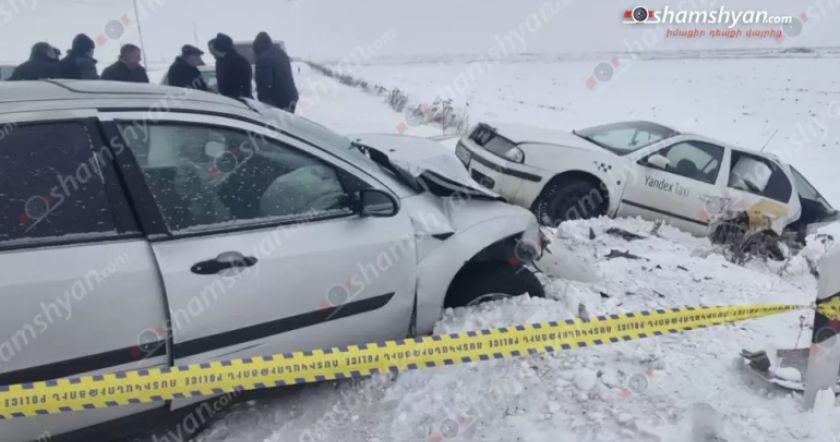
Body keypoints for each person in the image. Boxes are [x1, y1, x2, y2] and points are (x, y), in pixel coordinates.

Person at [253, 32, 299, 112]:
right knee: (287, 119)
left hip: (276, 101)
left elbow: (264, 84)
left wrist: (265, 103)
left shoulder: (263, 59)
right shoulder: (282, 54)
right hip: (290, 96)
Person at [208, 33, 252, 99]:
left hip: (238, 99)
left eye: (212, 49)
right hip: (226, 98)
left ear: (220, 46)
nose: (211, 52)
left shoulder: (239, 61)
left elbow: (245, 84)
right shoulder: (219, 61)